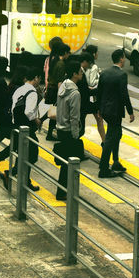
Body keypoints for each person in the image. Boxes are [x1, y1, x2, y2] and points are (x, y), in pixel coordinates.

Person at [2, 67, 42, 191]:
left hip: (16, 126)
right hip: (26, 128)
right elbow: (29, 112)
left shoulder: (20, 89)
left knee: (23, 153)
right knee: (32, 154)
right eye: (39, 79)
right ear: (35, 78)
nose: (39, 81)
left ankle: (25, 180)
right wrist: (36, 119)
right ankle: (11, 173)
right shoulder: (32, 92)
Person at [98, 49, 133, 176]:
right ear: (121, 59)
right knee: (111, 137)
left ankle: (116, 161)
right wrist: (130, 112)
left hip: (105, 110)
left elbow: (99, 92)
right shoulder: (122, 75)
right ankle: (103, 168)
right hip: (115, 111)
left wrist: (99, 109)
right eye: (124, 58)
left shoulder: (105, 73)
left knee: (116, 134)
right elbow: (124, 95)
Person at [54, 65, 87, 200]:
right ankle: (63, 192)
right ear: (75, 74)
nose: (82, 75)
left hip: (60, 128)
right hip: (69, 131)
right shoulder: (75, 93)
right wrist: (75, 135)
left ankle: (63, 191)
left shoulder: (63, 87)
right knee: (70, 165)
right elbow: (75, 117)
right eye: (80, 73)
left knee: (64, 164)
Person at [79, 46, 106, 140]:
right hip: (91, 97)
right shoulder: (94, 67)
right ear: (94, 54)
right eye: (97, 52)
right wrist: (99, 79)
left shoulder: (81, 66)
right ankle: (104, 141)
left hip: (86, 96)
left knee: (82, 116)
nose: (97, 54)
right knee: (99, 119)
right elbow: (91, 82)